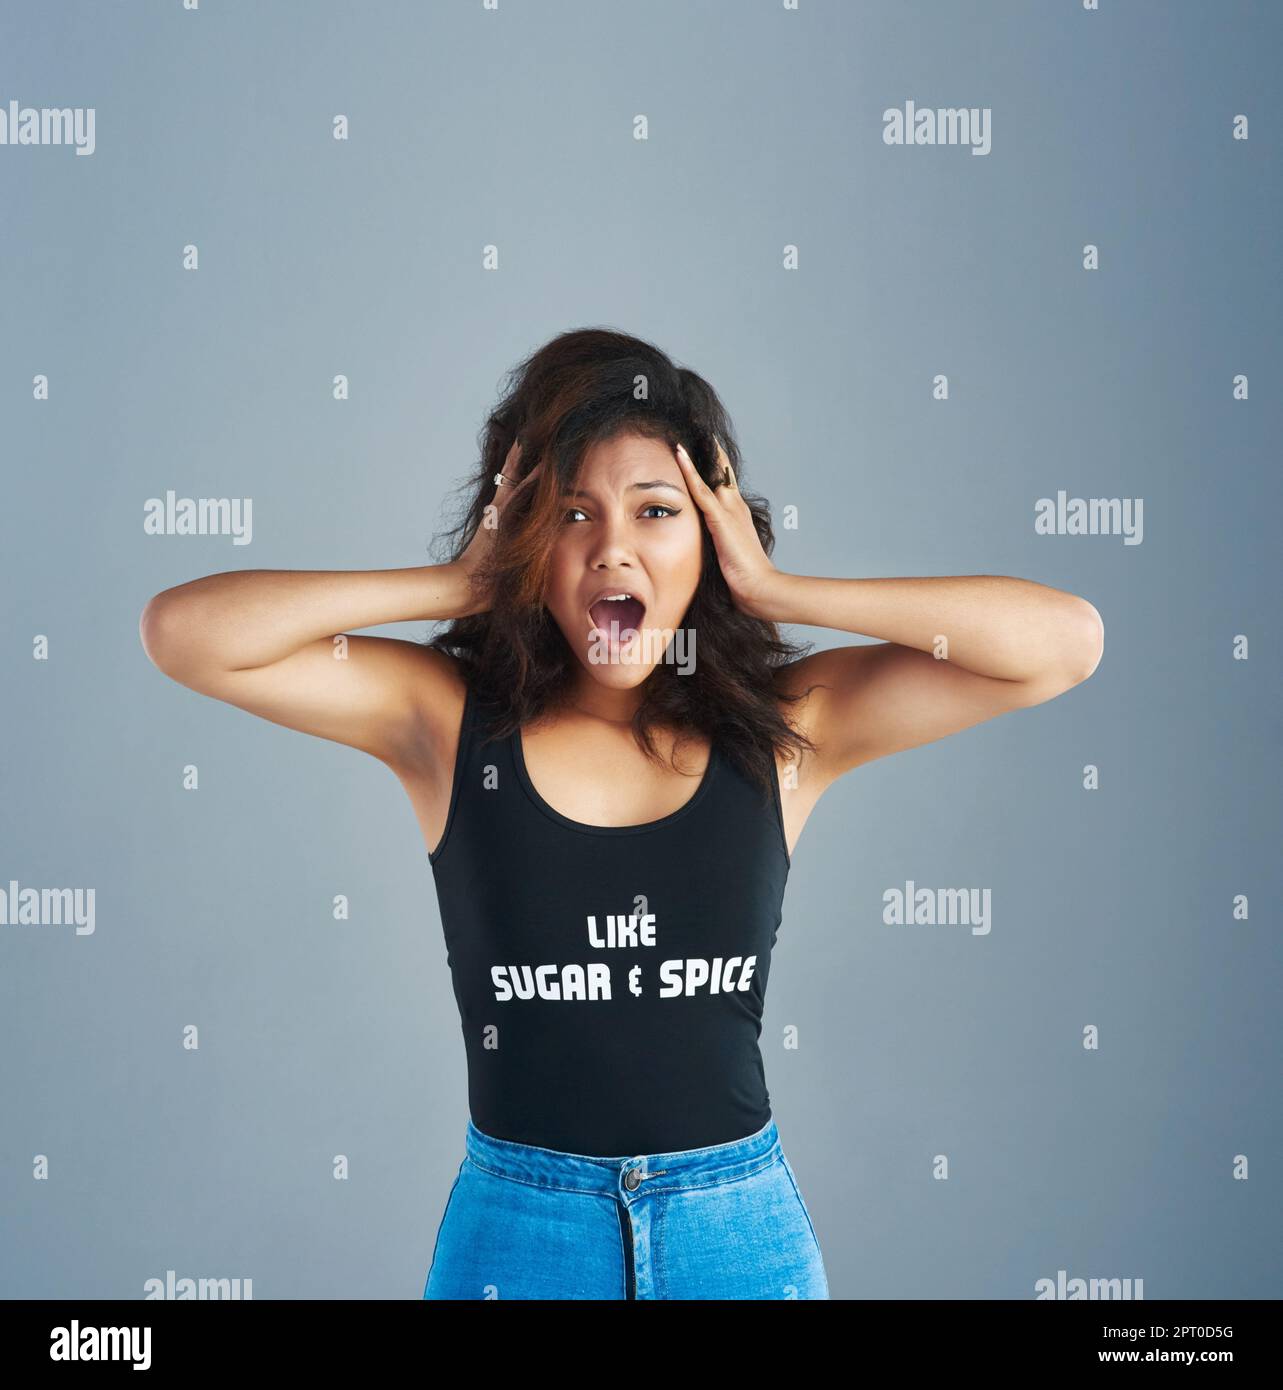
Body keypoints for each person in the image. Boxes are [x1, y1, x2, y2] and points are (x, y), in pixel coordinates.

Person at [139, 327, 1104, 1300]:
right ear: (525, 540)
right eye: (570, 513)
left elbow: (1062, 644)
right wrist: (449, 584)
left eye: (655, 511)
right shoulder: (444, 722)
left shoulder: (783, 729)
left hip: (735, 1233)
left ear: (708, 541)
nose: (613, 549)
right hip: (519, 1233)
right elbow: (187, 635)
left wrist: (777, 588)